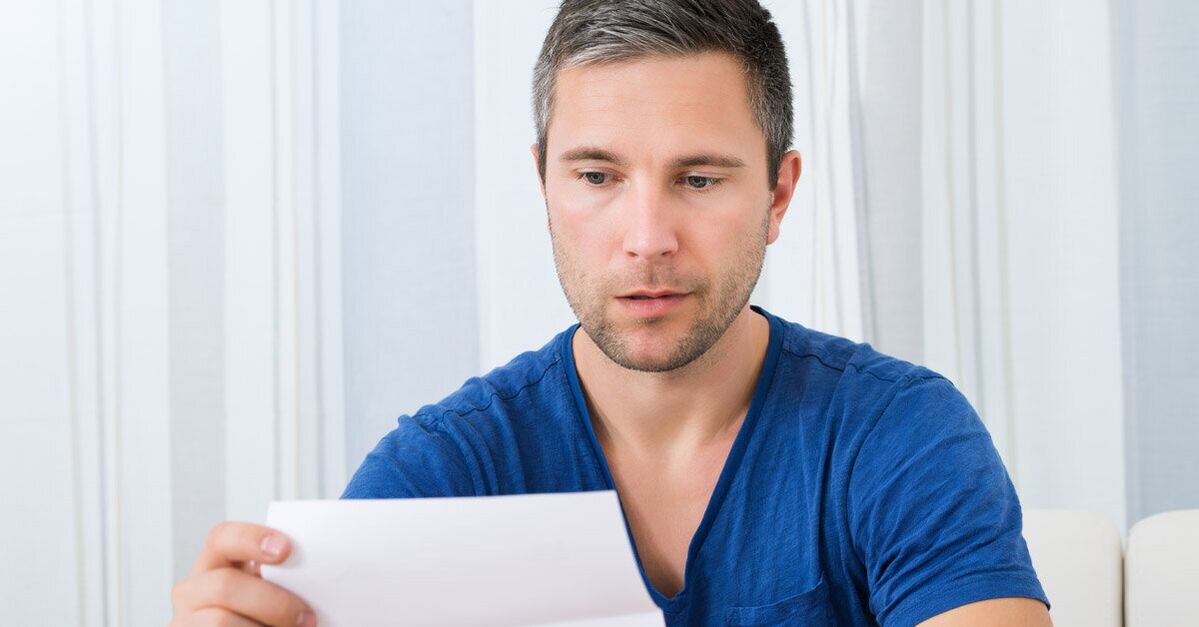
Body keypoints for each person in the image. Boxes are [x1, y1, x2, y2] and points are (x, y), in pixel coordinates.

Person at [171, 1, 1053, 625]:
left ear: (779, 195)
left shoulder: (898, 433)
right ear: (544, 185)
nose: (646, 238)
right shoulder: (445, 471)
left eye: (698, 179)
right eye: (596, 177)